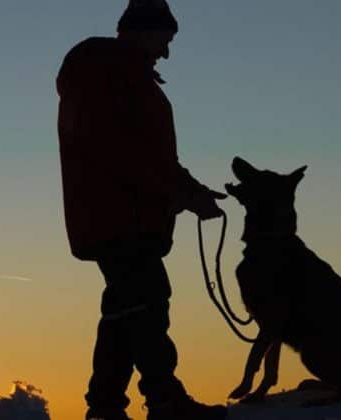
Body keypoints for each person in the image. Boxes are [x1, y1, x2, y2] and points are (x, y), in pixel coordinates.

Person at [56, 1, 228, 419]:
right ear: (142, 32)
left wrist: (190, 190)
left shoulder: (117, 77)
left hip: (117, 215)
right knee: (147, 304)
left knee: (124, 310)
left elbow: (148, 155)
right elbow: (128, 154)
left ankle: (105, 406)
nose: (167, 51)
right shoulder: (112, 79)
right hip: (121, 217)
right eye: (165, 39)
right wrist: (185, 194)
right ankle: (164, 401)